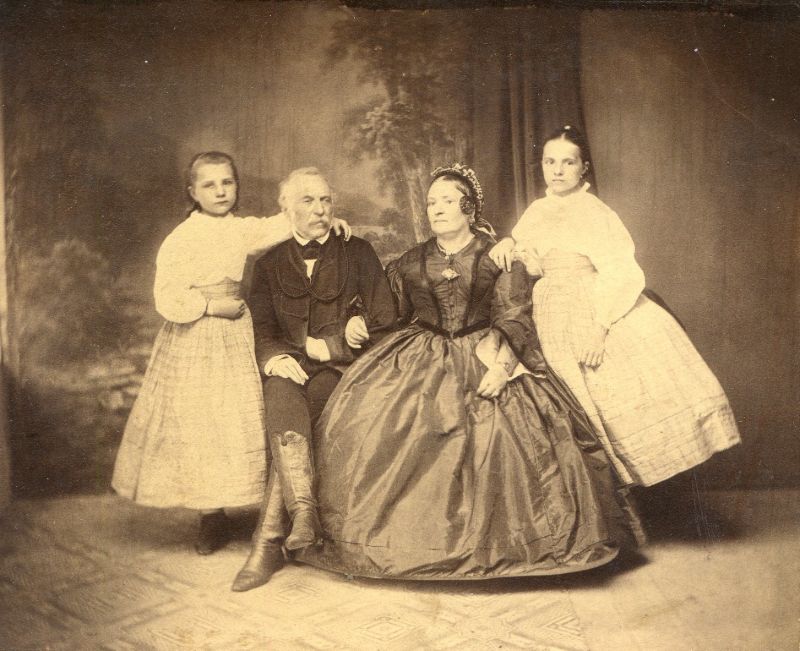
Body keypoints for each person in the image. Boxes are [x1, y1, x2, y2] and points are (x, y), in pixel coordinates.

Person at [295, 163, 644, 581]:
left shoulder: (496, 256)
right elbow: (388, 310)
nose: (437, 209)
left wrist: (502, 366)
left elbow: (514, 315)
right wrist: (357, 318)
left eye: (447, 201)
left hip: (486, 350)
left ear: (469, 208)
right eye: (432, 203)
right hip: (420, 354)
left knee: (503, 439)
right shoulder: (412, 260)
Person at [112, 152, 351, 555]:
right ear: (193, 192)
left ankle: (272, 511)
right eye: (209, 185)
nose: (221, 191)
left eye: (227, 183)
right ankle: (210, 516)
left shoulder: (241, 230)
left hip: (236, 335)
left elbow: (283, 223)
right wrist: (209, 306)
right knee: (202, 421)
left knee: (238, 416)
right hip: (196, 334)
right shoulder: (182, 238)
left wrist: (328, 220)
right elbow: (167, 295)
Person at [489, 126, 741, 487]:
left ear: (583, 168)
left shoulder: (595, 212)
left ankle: (623, 495)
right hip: (547, 307)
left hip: (588, 304)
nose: (557, 170)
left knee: (612, 397)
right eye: (549, 162)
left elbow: (621, 271)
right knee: (561, 401)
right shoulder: (538, 210)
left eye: (567, 162)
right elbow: (526, 249)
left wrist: (599, 328)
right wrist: (507, 243)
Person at [231, 167, 397, 591]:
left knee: (311, 402)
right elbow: (262, 328)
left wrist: (337, 345)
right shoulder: (268, 263)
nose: (320, 210)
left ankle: (269, 540)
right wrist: (272, 359)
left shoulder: (358, 252)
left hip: (338, 370)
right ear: (285, 207)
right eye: (308, 200)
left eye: (325, 200)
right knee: (281, 394)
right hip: (289, 364)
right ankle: (302, 513)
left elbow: (386, 319)